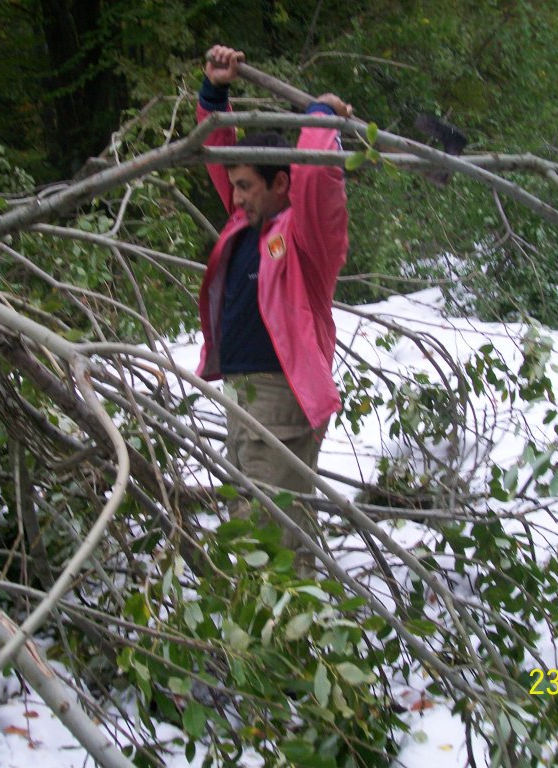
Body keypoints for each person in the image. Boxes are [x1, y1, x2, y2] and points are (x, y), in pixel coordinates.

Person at [195, 44, 351, 573]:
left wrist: (320, 116)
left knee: (269, 544)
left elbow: (317, 176)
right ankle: (275, 621)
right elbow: (219, 153)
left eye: (246, 186)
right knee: (256, 528)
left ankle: (284, 626)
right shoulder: (248, 222)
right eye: (235, 186)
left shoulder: (307, 237)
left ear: (281, 183)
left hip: (280, 401)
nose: (235, 196)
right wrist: (215, 91)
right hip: (242, 397)